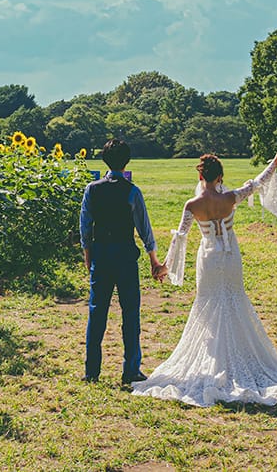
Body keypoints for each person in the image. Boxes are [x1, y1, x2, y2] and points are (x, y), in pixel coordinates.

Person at [131, 140, 277, 407]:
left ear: (200, 176)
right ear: (219, 176)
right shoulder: (231, 197)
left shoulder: (192, 205)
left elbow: (180, 238)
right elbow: (258, 182)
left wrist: (163, 266)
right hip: (231, 259)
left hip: (208, 260)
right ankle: (240, 358)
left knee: (209, 306)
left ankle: (216, 359)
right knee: (234, 301)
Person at [79, 138, 167, 384]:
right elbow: (144, 229)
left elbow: (85, 228)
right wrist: (154, 261)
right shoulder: (132, 191)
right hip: (126, 256)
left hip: (102, 255)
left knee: (97, 313)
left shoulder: (92, 189)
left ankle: (91, 371)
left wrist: (89, 257)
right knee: (130, 314)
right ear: (126, 162)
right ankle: (130, 370)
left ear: (104, 161)